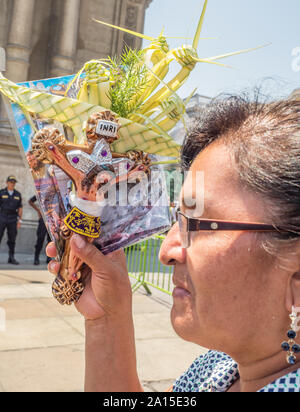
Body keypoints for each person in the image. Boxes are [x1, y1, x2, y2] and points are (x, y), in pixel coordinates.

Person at [46, 95, 300, 392]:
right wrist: (106, 315)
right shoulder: (218, 365)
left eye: (200, 223)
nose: (166, 251)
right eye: (178, 218)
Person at [0, 176, 22, 265]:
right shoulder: (1, 192)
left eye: (14, 182)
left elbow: (20, 208)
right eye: (10, 182)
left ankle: (11, 257)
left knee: (12, 239)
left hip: (13, 218)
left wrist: (19, 220)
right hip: (2, 217)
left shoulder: (17, 194)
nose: (12, 184)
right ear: (7, 182)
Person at [28, 195, 51, 265]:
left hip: (52, 219)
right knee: (40, 238)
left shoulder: (54, 192)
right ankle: (36, 257)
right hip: (43, 219)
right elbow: (30, 201)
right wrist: (38, 210)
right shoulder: (41, 192)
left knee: (50, 240)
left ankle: (49, 257)